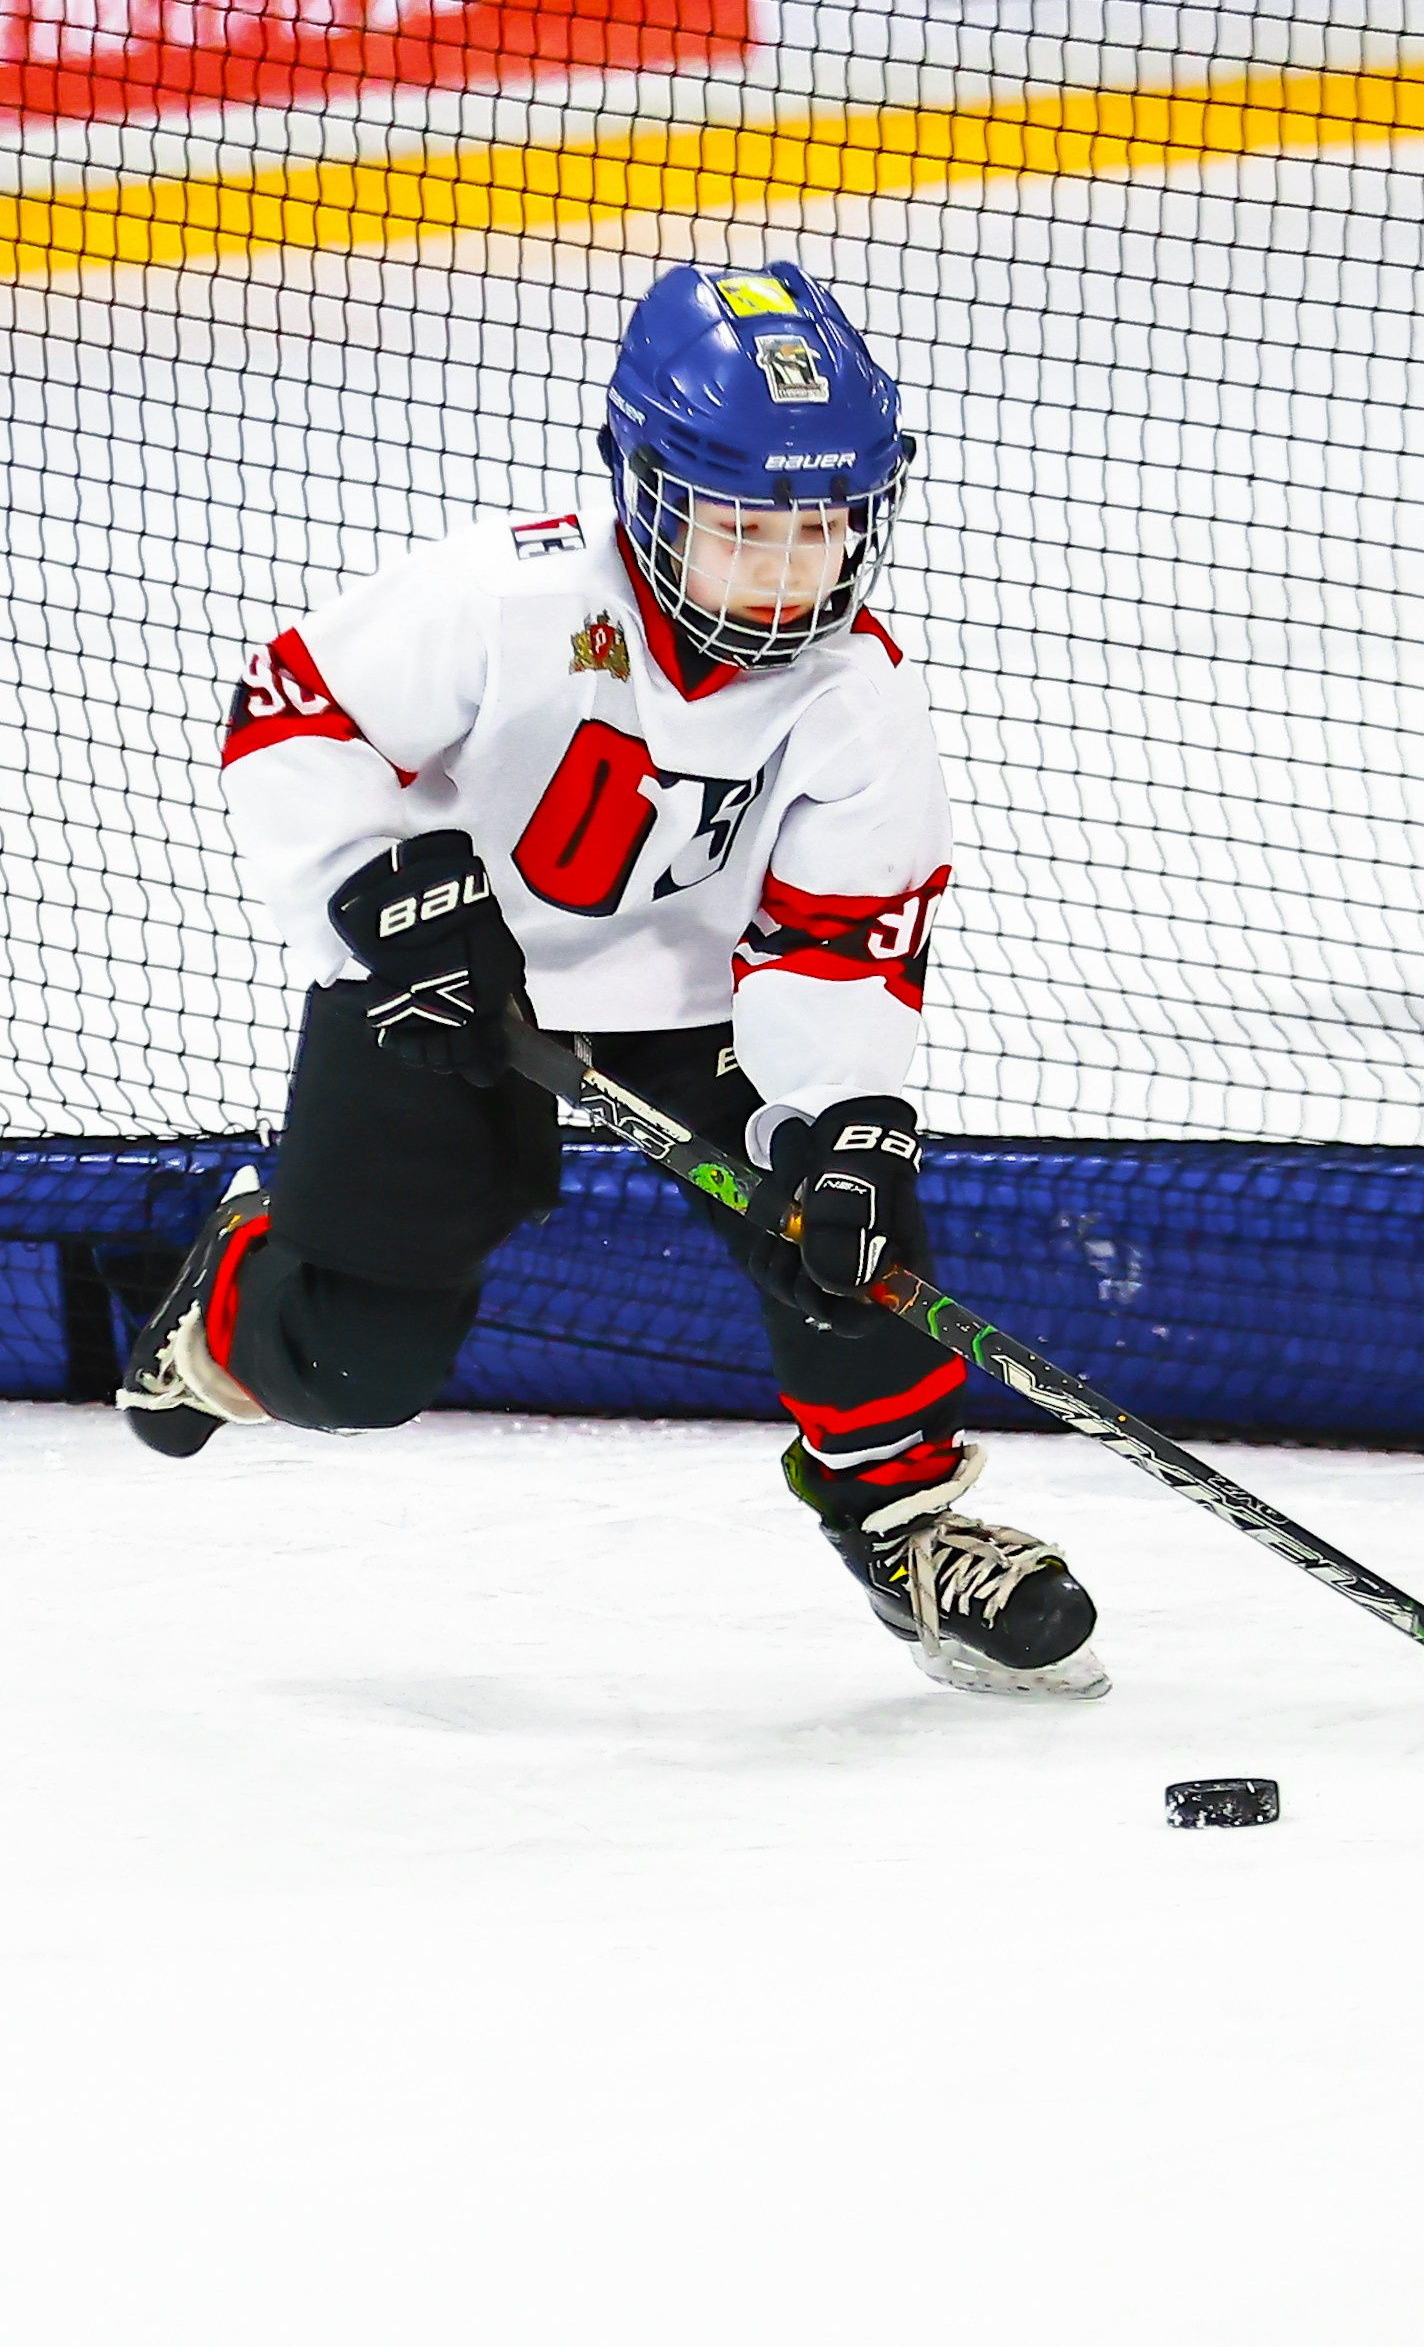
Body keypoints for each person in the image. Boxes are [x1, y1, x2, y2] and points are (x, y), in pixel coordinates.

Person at [119, 261, 1106, 1701]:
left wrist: (842, 1122)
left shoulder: (858, 697)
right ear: (642, 489)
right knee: (357, 1371)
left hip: (703, 1003)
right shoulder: (506, 594)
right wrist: (382, 891)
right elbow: (299, 709)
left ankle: (903, 1519)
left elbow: (837, 941)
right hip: (447, 980)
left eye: (823, 530)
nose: (789, 573)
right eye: (743, 530)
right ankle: (232, 1296)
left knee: (848, 1244)